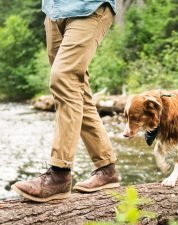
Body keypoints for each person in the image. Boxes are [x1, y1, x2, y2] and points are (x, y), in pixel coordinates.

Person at [11, 0, 119, 202]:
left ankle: (60, 174)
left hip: (89, 7)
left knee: (64, 78)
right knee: (76, 89)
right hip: (53, 11)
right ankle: (106, 169)